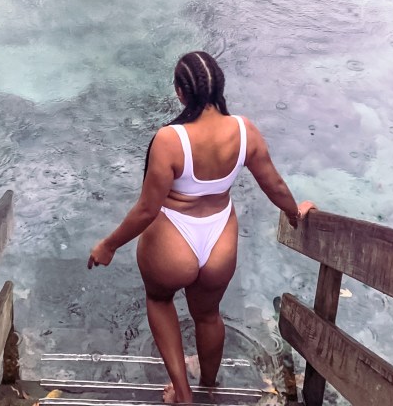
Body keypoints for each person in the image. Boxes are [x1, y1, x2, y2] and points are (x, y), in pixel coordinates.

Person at [87, 51, 315, 404]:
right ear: (219, 85)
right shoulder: (244, 130)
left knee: (160, 299)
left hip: (173, 238)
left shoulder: (169, 139)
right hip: (219, 237)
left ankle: (183, 393)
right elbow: (275, 185)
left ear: (180, 93)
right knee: (208, 315)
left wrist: (109, 245)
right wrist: (295, 212)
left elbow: (147, 209)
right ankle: (209, 384)